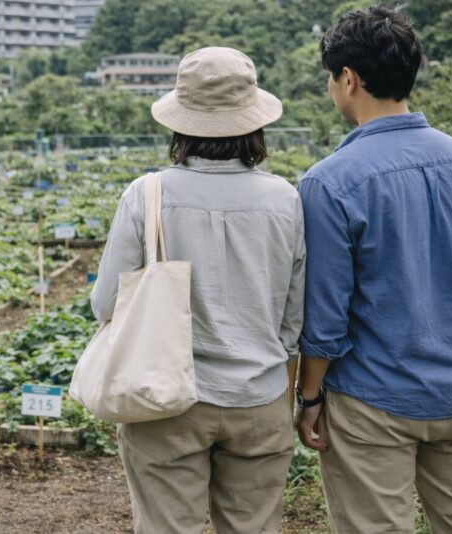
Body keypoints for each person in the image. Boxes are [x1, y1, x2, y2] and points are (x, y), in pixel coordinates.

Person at [295, 4, 452, 533]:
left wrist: (310, 395)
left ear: (348, 79)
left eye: (331, 77)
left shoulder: (328, 182)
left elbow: (325, 315)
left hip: (373, 397)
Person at [91, 47, 305, 533]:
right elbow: (295, 320)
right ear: (254, 124)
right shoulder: (285, 199)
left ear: (180, 124)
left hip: (165, 398)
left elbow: (105, 304)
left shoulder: (147, 194)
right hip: (260, 397)